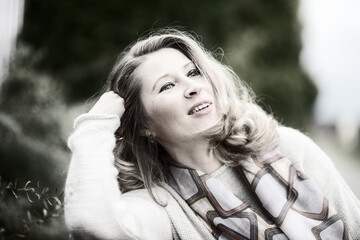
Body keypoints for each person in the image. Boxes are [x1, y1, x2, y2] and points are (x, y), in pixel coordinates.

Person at [64, 29, 360, 240]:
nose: (193, 87)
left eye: (193, 73)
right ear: (145, 126)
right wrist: (95, 125)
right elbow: (92, 224)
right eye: (167, 86)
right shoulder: (163, 207)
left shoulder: (289, 148)